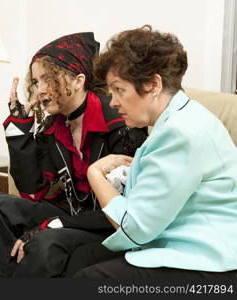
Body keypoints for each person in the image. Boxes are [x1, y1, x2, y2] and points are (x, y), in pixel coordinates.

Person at [0, 32, 147, 277]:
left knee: (46, 242)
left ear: (78, 80)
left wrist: (53, 225)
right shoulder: (54, 126)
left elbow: (128, 209)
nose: (39, 90)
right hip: (72, 214)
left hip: (106, 223)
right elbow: (32, 190)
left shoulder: (119, 124)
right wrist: (20, 126)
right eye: (36, 81)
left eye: (47, 79)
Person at [69, 25, 237, 278]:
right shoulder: (177, 119)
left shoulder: (180, 132)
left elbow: (133, 228)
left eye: (119, 89)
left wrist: (95, 174)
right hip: (181, 240)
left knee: (90, 278)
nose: (113, 102)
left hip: (209, 259)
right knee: (77, 256)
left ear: (153, 84)